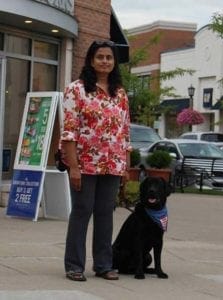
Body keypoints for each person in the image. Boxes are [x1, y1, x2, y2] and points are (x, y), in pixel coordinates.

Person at [60, 40, 131, 282]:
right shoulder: (76, 89)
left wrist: (125, 166)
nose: (104, 61)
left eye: (109, 57)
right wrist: (74, 167)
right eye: (100, 56)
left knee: (105, 214)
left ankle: (103, 264)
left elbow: (125, 132)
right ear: (91, 60)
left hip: (113, 163)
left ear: (114, 62)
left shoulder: (119, 93)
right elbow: (69, 131)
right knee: (81, 212)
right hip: (85, 163)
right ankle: (74, 266)